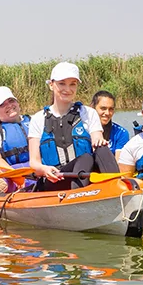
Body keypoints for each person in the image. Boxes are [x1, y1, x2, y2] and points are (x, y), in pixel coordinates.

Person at [28, 62, 119, 191]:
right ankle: (78, 197)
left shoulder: (88, 113)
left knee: (100, 149)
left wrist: (99, 139)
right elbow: (34, 162)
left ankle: (117, 188)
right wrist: (44, 169)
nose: (68, 89)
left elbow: (97, 136)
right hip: (56, 179)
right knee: (86, 157)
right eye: (62, 83)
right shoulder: (38, 118)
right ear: (51, 85)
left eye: (72, 84)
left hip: (85, 173)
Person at [0, 86, 33, 194]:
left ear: (17, 103)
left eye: (11, 101)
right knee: (5, 178)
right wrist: (17, 177)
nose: (9, 105)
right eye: (2, 104)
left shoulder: (35, 120)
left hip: (38, 166)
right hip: (11, 172)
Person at [91, 90, 130, 159]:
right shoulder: (81, 130)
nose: (107, 113)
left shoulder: (121, 133)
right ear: (92, 108)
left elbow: (118, 163)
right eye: (103, 108)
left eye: (111, 109)